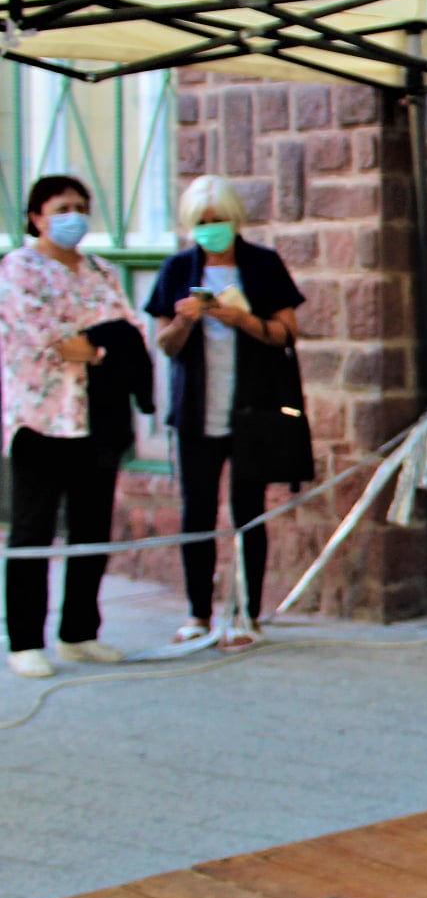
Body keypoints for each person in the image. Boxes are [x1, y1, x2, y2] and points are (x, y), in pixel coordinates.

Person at [144, 175, 305, 653]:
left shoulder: (262, 264)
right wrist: (185, 319)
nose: (211, 228)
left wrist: (243, 320)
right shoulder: (177, 268)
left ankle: (247, 612)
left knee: (247, 512)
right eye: (203, 221)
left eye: (219, 220)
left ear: (235, 220)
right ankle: (198, 613)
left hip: (253, 409)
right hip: (197, 411)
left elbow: (287, 333)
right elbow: (165, 344)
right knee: (196, 511)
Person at [0, 176, 144, 678]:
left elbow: (130, 331)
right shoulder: (19, 268)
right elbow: (47, 334)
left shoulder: (101, 270)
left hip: (98, 418)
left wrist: (99, 344)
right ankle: (25, 640)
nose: (73, 216)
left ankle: (79, 633)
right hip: (41, 418)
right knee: (33, 529)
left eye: (81, 207)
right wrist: (101, 346)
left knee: (91, 528)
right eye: (62, 207)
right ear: (36, 216)